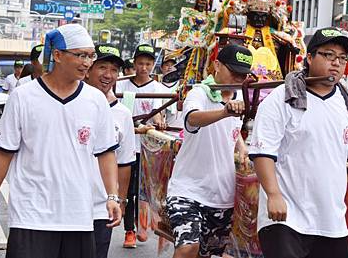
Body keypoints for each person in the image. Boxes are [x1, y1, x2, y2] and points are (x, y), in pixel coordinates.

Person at [0, 24, 122, 258]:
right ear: (57, 55)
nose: (87, 62)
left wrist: (112, 197)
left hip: (78, 216)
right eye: (81, 55)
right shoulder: (23, 97)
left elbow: (106, 153)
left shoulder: (95, 100)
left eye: (90, 56)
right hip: (30, 215)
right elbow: (3, 153)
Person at [249, 27, 348, 258]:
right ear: (309, 57)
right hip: (286, 219)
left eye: (342, 58)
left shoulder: (344, 102)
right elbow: (262, 152)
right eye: (328, 55)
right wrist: (274, 194)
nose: (336, 63)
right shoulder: (282, 97)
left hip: (331, 222)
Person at [166, 44, 250, 258]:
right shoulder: (200, 93)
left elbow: (232, 130)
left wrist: (241, 147)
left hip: (222, 195)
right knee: (187, 248)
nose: (238, 79)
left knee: (207, 254)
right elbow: (191, 119)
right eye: (234, 72)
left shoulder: (241, 97)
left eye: (242, 75)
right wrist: (224, 112)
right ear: (217, 65)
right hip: (187, 190)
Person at [85, 44, 136, 258]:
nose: (108, 75)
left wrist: (120, 201)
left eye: (114, 70)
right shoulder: (72, 103)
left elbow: (124, 163)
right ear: (88, 68)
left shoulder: (123, 114)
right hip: (67, 202)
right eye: (102, 67)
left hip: (101, 206)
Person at [115, 43, 164, 248]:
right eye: (140, 63)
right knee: (128, 192)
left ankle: (141, 224)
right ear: (134, 63)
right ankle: (129, 231)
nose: (144, 67)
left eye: (148, 63)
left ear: (153, 65)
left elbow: (160, 113)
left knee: (146, 190)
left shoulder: (158, 89)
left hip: (148, 149)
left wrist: (159, 120)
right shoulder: (121, 86)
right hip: (127, 146)